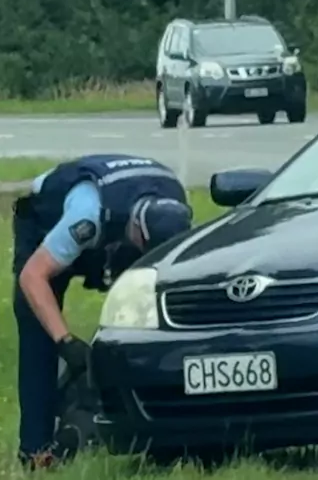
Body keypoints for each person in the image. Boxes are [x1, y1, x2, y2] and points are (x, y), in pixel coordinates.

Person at [11, 154, 193, 469]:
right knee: (37, 328)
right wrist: (65, 342)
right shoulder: (89, 215)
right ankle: (37, 450)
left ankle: (153, 430)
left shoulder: (175, 206)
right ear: (137, 231)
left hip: (116, 232)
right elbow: (32, 276)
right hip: (46, 221)